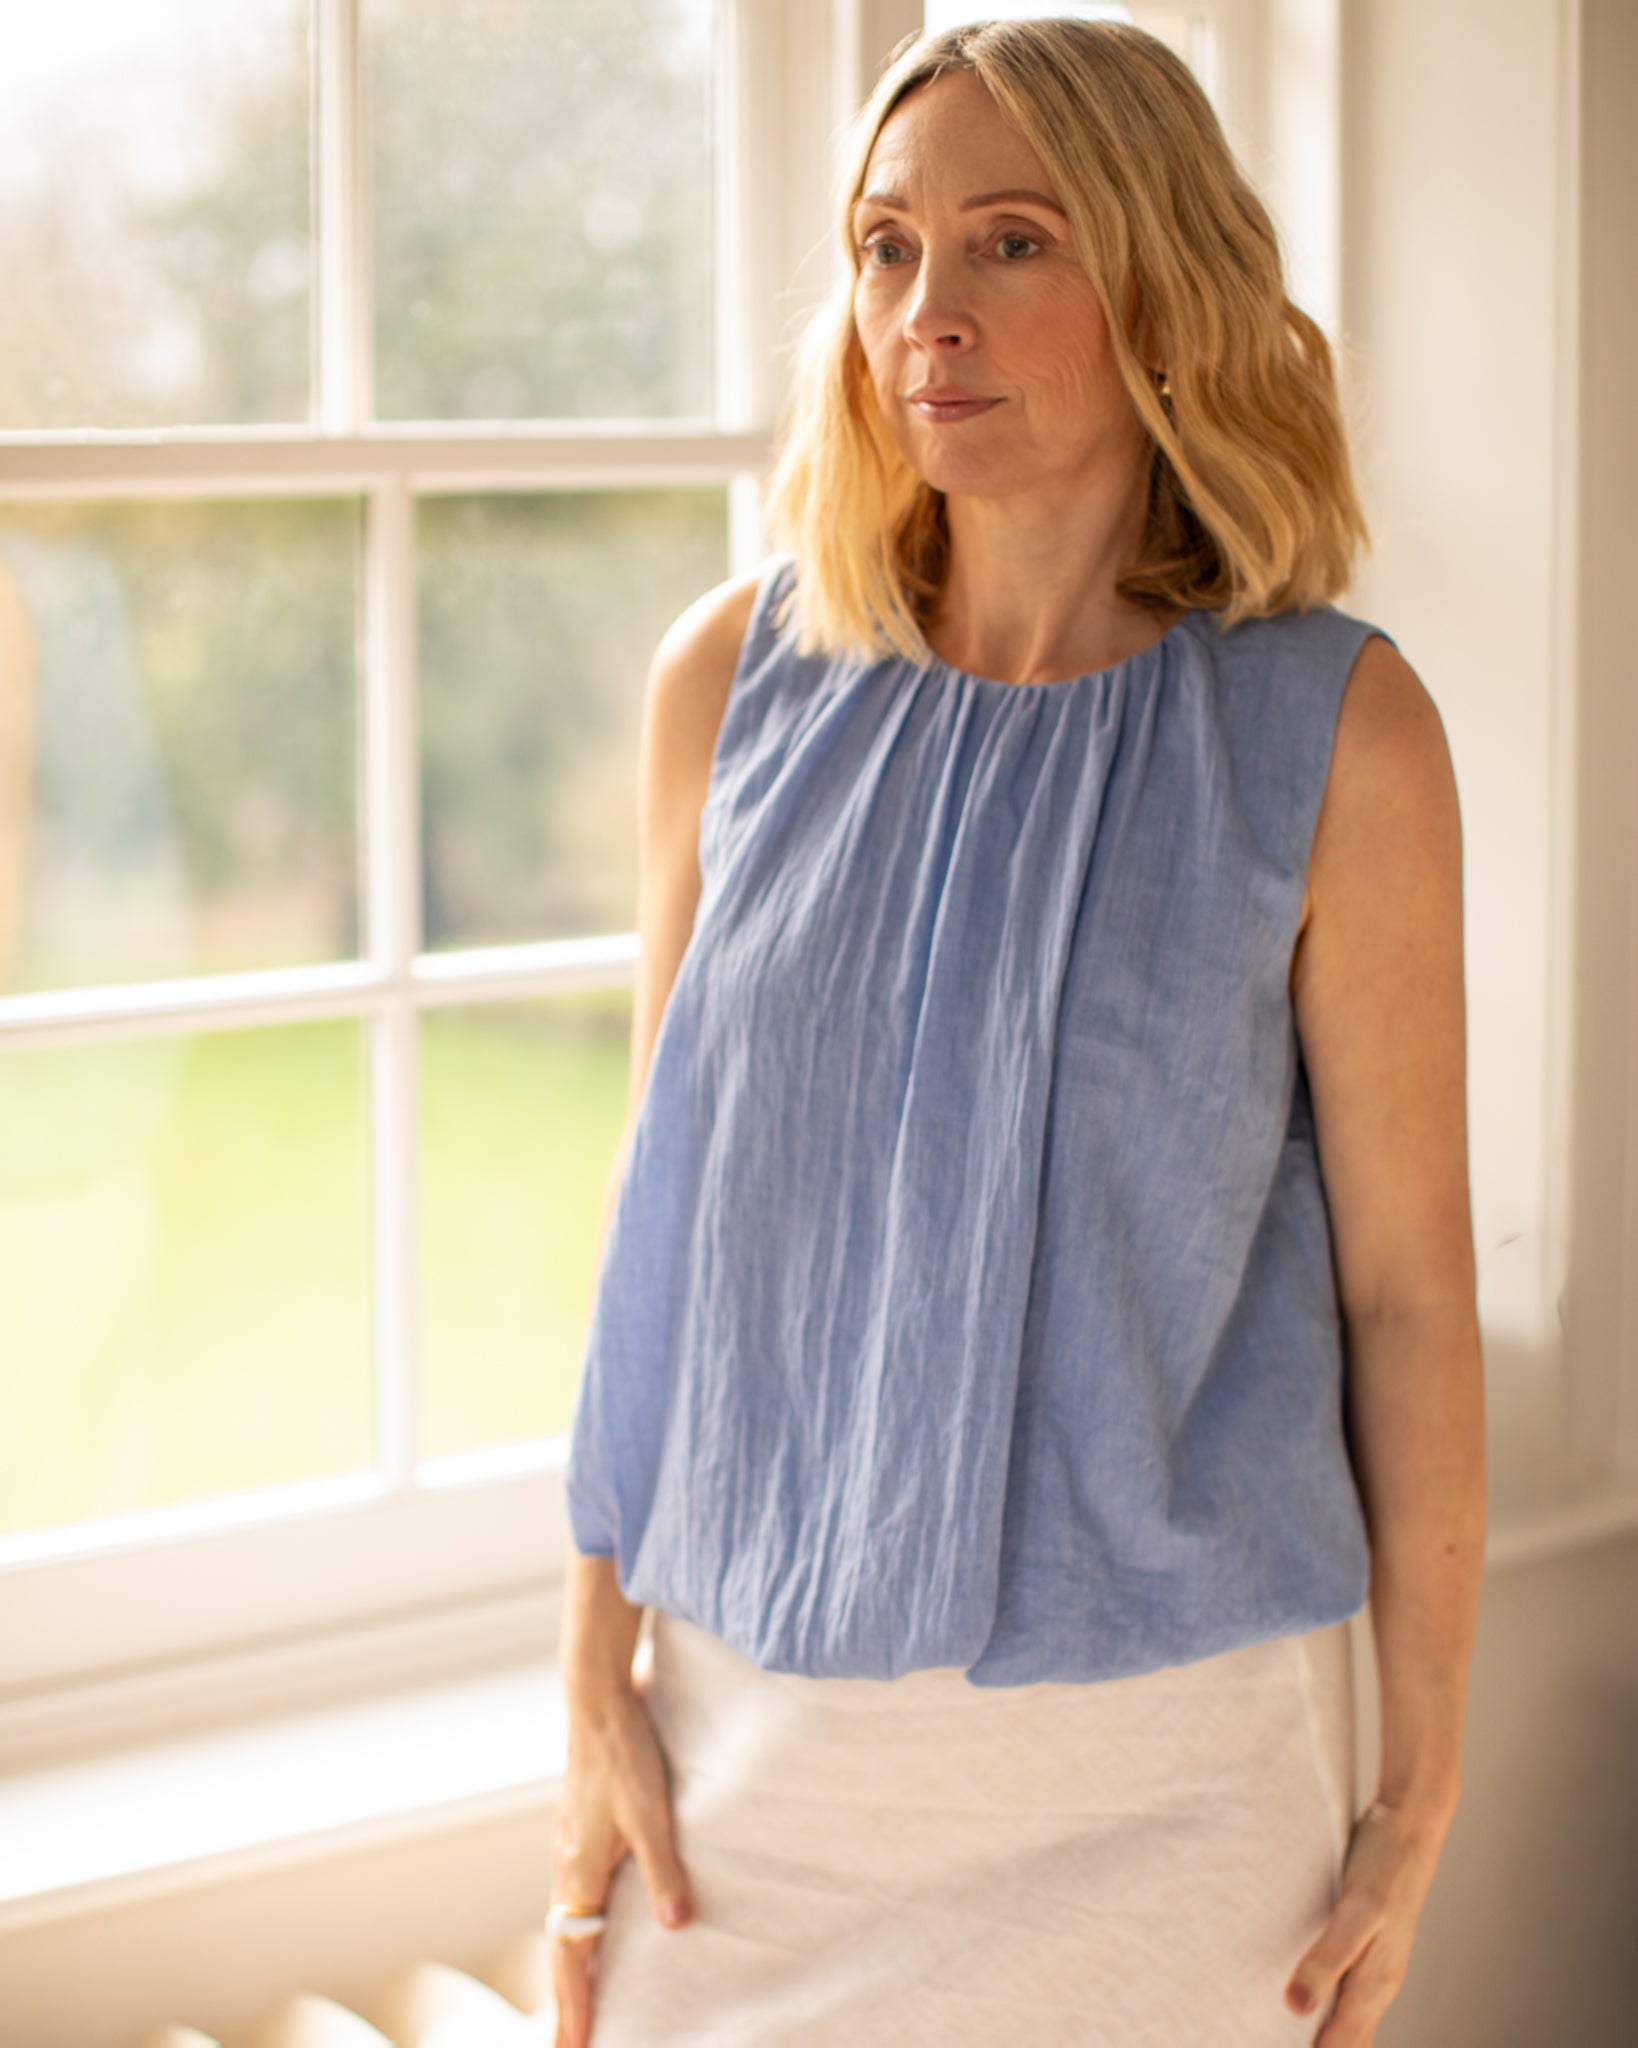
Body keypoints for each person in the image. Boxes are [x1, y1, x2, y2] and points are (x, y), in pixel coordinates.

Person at [550, 17, 1486, 2047]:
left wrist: (1417, 1798)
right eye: (886, 248)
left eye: (1012, 242)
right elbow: (661, 1221)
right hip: (746, 1755)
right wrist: (588, 1677)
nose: (927, 314)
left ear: (1161, 288)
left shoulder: (1336, 732)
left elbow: (1409, 1296)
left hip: (1168, 1780)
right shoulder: (731, 682)